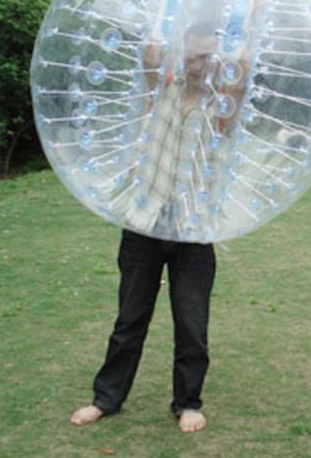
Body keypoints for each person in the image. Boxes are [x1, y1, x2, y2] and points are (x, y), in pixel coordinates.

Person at [70, 26, 247, 434]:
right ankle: (106, 399)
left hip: (193, 231)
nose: (197, 64)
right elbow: (149, 55)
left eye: (206, 57)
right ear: (181, 54)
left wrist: (251, 14)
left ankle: (188, 403)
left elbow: (242, 75)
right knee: (129, 320)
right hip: (144, 224)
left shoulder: (221, 109)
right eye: (192, 55)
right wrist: (164, 7)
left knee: (192, 326)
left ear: (217, 62)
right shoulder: (160, 91)